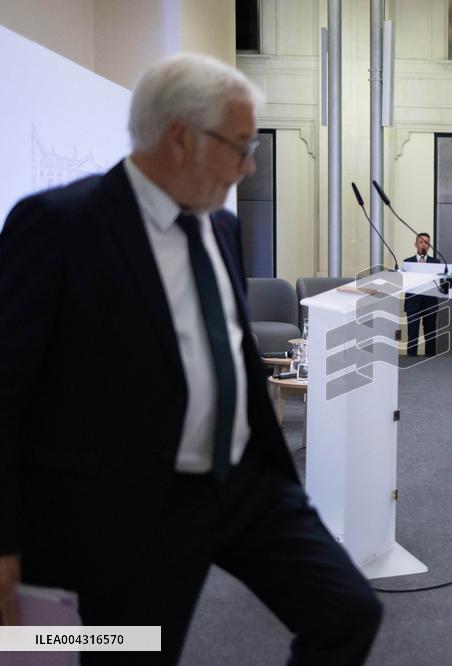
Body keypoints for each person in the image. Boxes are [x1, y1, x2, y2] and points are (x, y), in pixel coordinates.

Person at [0, 54, 381, 662]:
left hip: (244, 483)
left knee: (349, 615)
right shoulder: (59, 227)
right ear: (180, 137)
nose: (249, 164)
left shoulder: (220, 228)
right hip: (128, 509)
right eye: (239, 146)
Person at [403, 232, 442, 356]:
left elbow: (440, 282)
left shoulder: (436, 262)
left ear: (429, 246)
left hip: (430, 303)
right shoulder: (407, 262)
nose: (423, 245)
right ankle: (411, 360)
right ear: (416, 244)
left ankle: (430, 362)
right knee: (412, 335)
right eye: (421, 242)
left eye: (426, 242)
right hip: (412, 304)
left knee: (430, 335)